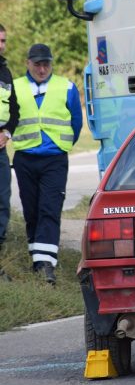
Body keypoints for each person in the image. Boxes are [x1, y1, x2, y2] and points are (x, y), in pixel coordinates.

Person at [13, 43, 82, 285]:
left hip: (54, 158)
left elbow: (76, 122)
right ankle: (38, 258)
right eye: (37, 64)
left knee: (49, 209)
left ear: (51, 63)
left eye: (46, 64)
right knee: (31, 211)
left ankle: (46, 266)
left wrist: (61, 145)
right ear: (27, 63)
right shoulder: (15, 87)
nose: (42, 69)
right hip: (25, 158)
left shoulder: (67, 87)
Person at [0, 25, 20, 249]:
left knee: (3, 203)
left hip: (1, 149)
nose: (1, 45)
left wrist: (6, 133)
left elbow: (14, 110)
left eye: (3, 41)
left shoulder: (5, 72)